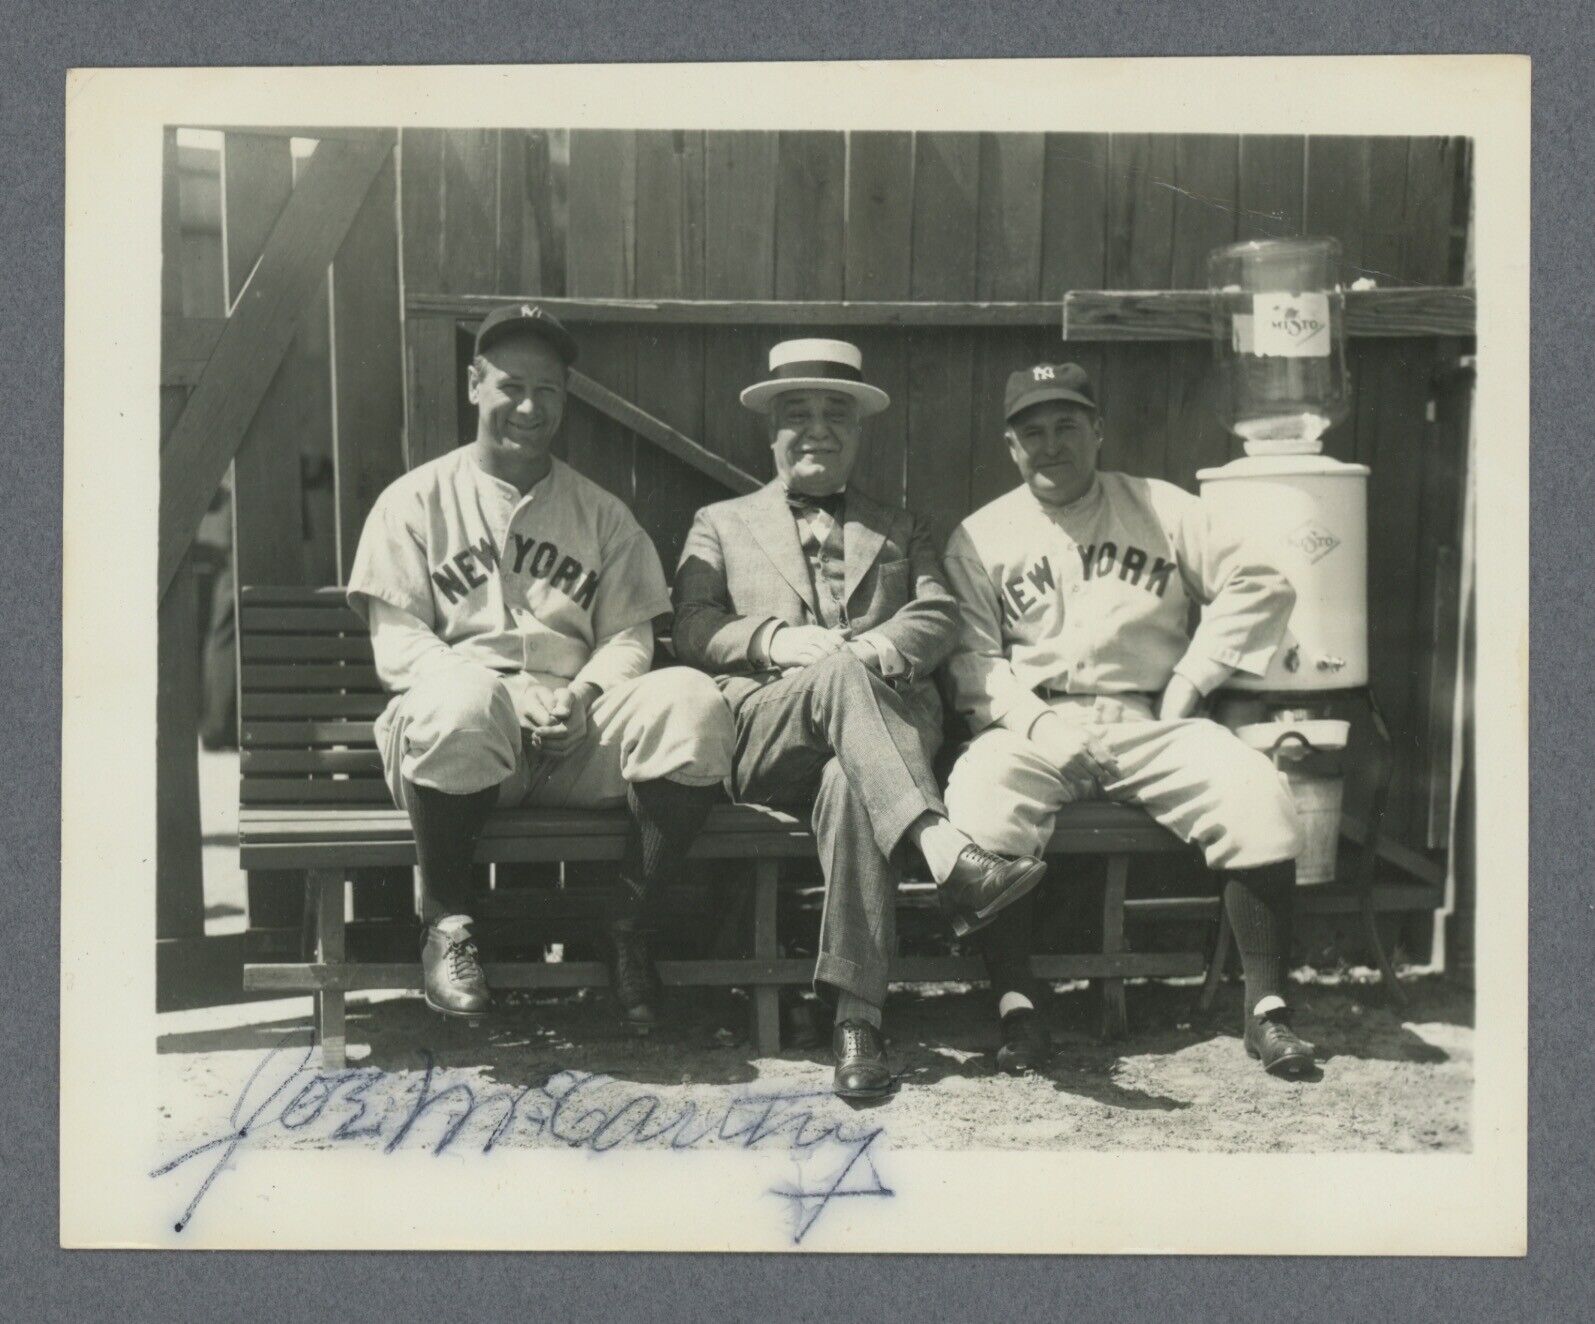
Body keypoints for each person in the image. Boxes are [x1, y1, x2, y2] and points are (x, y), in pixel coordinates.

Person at [672, 338, 1046, 1101]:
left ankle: (857, 1021)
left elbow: (939, 612)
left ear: (859, 431)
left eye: (833, 414)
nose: (815, 429)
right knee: (836, 681)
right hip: (766, 733)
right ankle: (945, 851)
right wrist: (772, 640)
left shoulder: (900, 528)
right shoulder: (718, 522)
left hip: (878, 735)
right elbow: (690, 624)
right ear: (769, 431)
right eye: (796, 414)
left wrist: (876, 647)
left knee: (851, 782)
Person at [346, 304, 735, 1032]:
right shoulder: (412, 502)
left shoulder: (601, 515)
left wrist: (585, 696)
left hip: (569, 740)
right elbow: (399, 644)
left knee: (692, 701)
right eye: (510, 386)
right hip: (457, 740)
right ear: (473, 384)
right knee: (458, 697)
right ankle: (448, 925)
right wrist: (503, 691)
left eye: (547, 391)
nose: (529, 407)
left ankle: (628, 927)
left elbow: (628, 636)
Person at [940, 362, 1315, 1079]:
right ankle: (1016, 1008)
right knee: (979, 805)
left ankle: (1267, 1009)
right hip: (1033, 721)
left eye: (1067, 427)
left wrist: (1190, 681)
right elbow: (973, 660)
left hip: (1148, 716)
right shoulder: (981, 534)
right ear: (1010, 447)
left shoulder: (1162, 507)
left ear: (1098, 431)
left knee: (1255, 792)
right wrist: (1037, 726)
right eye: (1033, 433)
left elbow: (1261, 579)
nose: (1051, 446)